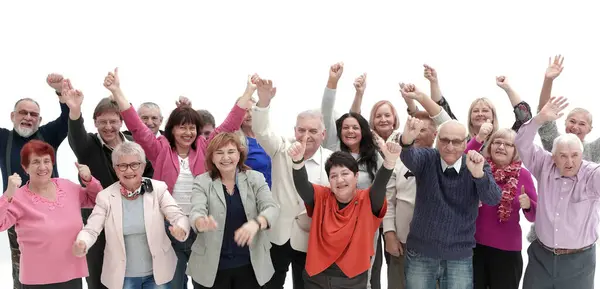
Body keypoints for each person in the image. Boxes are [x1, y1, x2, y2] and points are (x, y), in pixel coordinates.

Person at [104, 68, 254, 289]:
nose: (188, 132)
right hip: (170, 228)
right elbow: (136, 126)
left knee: (206, 283)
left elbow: (229, 124)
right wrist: (117, 91)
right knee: (174, 284)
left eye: (192, 128)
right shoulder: (159, 149)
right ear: (171, 130)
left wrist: (248, 90)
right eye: (181, 127)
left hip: (203, 226)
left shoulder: (206, 147)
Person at [65, 84, 155, 289]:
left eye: (113, 121)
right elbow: (75, 133)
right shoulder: (87, 145)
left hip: (134, 219)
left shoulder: (135, 143)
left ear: (121, 122)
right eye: (102, 121)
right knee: (99, 279)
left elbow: (150, 171)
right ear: (95, 122)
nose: (108, 127)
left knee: (133, 275)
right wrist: (75, 110)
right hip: (100, 222)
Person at [399, 117, 501, 288]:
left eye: (456, 141)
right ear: (437, 138)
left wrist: (479, 176)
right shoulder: (427, 157)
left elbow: (493, 198)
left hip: (459, 256)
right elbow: (409, 157)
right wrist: (407, 140)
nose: (450, 146)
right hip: (421, 253)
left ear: (465, 142)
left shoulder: (475, 164)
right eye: (445, 140)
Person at [251, 77, 333, 289]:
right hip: (278, 234)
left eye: (313, 131)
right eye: (301, 130)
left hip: (312, 240)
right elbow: (261, 131)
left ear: (323, 134)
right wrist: (263, 102)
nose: (306, 136)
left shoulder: (333, 161)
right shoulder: (281, 148)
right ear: (294, 130)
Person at [289, 132, 399, 288]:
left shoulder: (367, 199)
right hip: (316, 278)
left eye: (345, 173)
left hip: (352, 280)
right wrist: (298, 161)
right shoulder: (322, 196)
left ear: (356, 177)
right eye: (333, 176)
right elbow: (302, 186)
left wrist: (389, 162)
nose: (339, 180)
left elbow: (380, 184)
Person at [74, 142, 190, 289]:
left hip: (158, 274)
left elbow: (177, 215)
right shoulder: (105, 197)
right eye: (122, 165)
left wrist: (181, 228)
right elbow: (91, 229)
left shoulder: (158, 189)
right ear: (115, 169)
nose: (129, 170)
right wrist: (82, 242)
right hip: (123, 277)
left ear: (142, 166)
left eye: (134, 164)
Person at [516, 96, 600, 289]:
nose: (569, 162)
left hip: (579, 261)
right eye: (563, 156)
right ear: (553, 156)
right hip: (541, 258)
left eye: (574, 156)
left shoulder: (592, 174)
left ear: (582, 155)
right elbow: (522, 144)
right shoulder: (544, 164)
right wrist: (538, 119)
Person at [0, 73, 71, 289]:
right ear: (12, 116)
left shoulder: (48, 133)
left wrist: (60, 91)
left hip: (53, 213)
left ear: (39, 120)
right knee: (21, 268)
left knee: (59, 264)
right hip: (17, 214)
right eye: (23, 112)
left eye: (34, 114)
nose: (28, 117)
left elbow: (69, 117)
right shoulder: (3, 138)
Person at [0, 140, 102, 289]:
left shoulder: (67, 187)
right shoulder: (18, 197)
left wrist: (89, 180)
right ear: (25, 167)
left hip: (71, 274)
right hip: (36, 281)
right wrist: (8, 194)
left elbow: (97, 200)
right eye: (35, 162)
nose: (42, 167)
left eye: (46, 161)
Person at [187, 132, 279, 288]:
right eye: (219, 153)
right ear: (212, 157)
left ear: (239, 154)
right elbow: (196, 210)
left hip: (250, 266)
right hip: (211, 269)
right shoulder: (202, 181)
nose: (225, 158)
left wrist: (257, 223)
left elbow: (271, 207)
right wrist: (200, 222)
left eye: (231, 152)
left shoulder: (255, 178)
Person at [467, 128, 537, 289]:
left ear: (515, 151)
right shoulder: (477, 167)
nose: (501, 147)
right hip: (474, 246)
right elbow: (464, 155)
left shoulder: (523, 175)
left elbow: (535, 216)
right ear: (490, 146)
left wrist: (528, 205)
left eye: (508, 144)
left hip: (506, 251)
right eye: (497, 142)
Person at [383, 111, 439, 289]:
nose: (415, 134)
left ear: (434, 134)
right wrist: (389, 233)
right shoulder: (396, 161)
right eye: (412, 130)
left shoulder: (443, 162)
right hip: (402, 243)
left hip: (435, 246)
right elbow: (388, 201)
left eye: (421, 130)